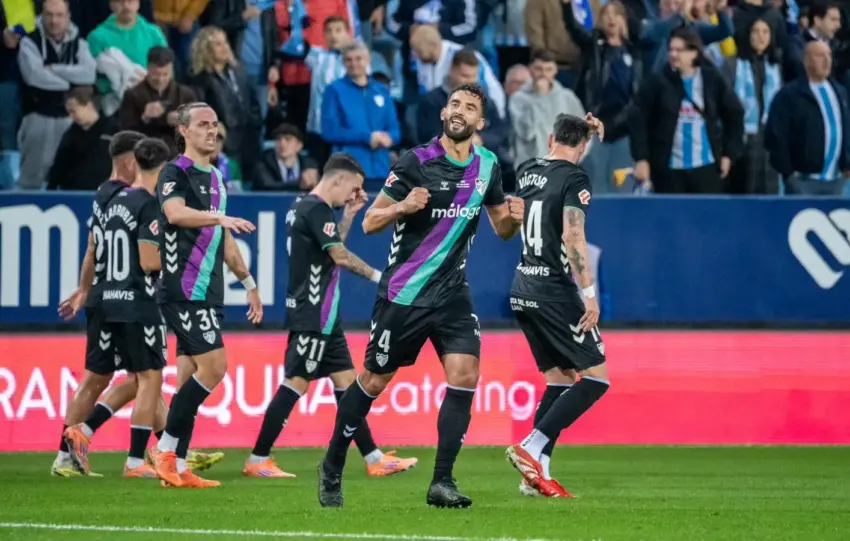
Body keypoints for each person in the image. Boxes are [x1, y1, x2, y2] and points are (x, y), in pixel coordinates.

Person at [316, 82, 524, 509]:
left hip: (452, 293)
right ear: (444, 114)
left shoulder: (488, 166)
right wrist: (402, 207)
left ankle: (441, 482)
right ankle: (333, 464)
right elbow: (372, 221)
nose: (459, 111)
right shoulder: (416, 161)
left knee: (465, 374)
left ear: (481, 122)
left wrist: (515, 220)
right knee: (374, 379)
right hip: (405, 293)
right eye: (454, 104)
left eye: (469, 107)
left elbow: (502, 229)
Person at [244, 152, 418, 479]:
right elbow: (338, 255)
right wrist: (380, 277)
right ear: (338, 179)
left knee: (349, 386)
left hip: (325, 314)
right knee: (295, 384)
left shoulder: (302, 207)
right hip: (313, 312)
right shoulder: (316, 208)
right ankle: (257, 459)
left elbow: (329, 245)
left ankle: (373, 458)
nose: (353, 195)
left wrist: (350, 214)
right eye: (353, 189)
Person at [149, 102, 263, 489]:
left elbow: (224, 239)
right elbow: (176, 213)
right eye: (202, 124)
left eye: (215, 124)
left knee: (187, 382)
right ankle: (164, 452)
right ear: (183, 131)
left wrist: (248, 285)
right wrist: (219, 218)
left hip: (209, 291)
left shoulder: (216, 177)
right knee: (214, 368)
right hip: (183, 289)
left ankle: (177, 466)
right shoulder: (173, 171)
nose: (212, 131)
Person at [505, 113, 610, 498]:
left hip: (522, 285)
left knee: (560, 379)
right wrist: (589, 295)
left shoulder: (527, 169)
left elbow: (557, 162)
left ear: (551, 138)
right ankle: (531, 448)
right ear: (582, 147)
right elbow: (573, 234)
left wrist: (586, 133)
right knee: (597, 378)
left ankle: (535, 475)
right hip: (552, 288)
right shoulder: (576, 178)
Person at [62, 137, 172, 478]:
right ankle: (136, 460)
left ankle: (171, 448)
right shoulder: (148, 203)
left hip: (107, 296)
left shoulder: (110, 199)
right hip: (136, 301)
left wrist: (85, 288)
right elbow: (150, 260)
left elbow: (95, 246)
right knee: (148, 378)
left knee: (132, 378)